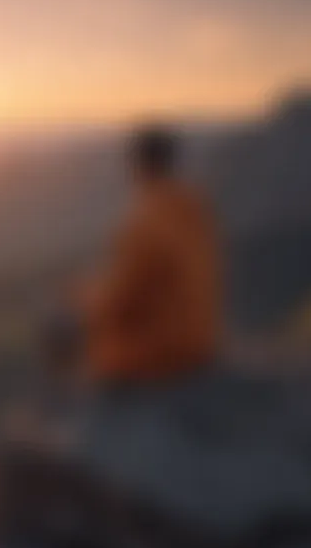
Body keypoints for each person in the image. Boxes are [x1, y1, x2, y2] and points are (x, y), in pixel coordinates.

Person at [76, 125, 221, 385]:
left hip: (160, 354)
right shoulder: (193, 210)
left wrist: (84, 298)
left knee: (80, 341)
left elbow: (120, 300)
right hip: (200, 340)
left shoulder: (145, 223)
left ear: (137, 164)